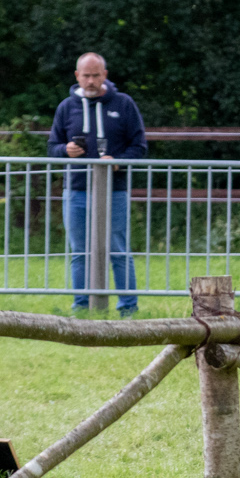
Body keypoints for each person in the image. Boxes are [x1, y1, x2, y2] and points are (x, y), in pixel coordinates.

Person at [48, 53, 148, 313]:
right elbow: (52, 147)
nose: (91, 81)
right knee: (80, 252)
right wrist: (65, 150)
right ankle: (82, 308)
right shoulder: (66, 107)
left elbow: (139, 146)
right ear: (77, 76)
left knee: (118, 249)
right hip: (76, 189)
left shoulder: (124, 104)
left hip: (114, 190)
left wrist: (119, 161)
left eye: (95, 75)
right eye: (86, 76)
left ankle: (128, 308)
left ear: (105, 75)